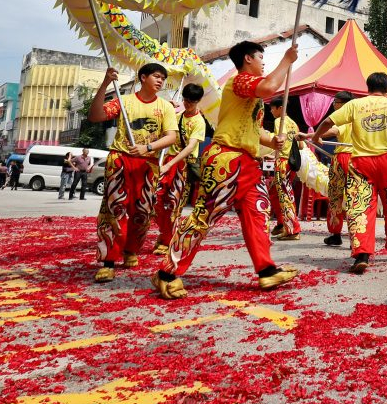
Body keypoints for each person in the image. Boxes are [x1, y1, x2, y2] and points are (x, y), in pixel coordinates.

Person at [153, 41, 300, 299]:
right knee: (203, 217)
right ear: (247, 59)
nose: (263, 62)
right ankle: (166, 273)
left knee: (258, 215)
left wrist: (271, 141)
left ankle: (266, 270)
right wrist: (287, 60)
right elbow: (269, 86)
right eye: (260, 57)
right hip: (226, 160)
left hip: (248, 163)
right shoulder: (239, 81)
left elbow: (253, 129)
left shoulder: (251, 94)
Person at [88, 63, 179, 284]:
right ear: (143, 77)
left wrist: (147, 147)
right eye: (156, 76)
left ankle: (131, 249)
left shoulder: (165, 107)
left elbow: (171, 136)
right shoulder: (124, 100)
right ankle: (109, 261)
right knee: (113, 209)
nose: (160, 81)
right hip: (120, 160)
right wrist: (106, 83)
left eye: (163, 78)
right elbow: (96, 115)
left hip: (148, 164)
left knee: (142, 212)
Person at [310, 73, 387, 275]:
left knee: (361, 206)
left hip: (361, 162)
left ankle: (362, 254)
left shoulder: (354, 105)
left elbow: (328, 122)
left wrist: (317, 136)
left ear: (368, 87)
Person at [152, 84, 206, 256]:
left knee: (174, 204)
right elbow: (162, 133)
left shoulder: (199, 122)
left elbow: (190, 148)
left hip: (183, 166)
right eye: (186, 100)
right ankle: (165, 233)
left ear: (198, 101)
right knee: (154, 199)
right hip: (168, 161)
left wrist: (170, 164)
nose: (188, 104)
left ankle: (167, 240)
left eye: (192, 101)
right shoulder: (177, 116)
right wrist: (167, 109)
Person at [318, 91, 353, 247]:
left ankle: (336, 234)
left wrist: (315, 134)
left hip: (343, 158)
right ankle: (357, 238)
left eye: (335, 102)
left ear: (343, 104)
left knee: (336, 197)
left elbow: (334, 131)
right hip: (359, 159)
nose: (333, 105)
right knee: (356, 198)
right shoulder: (360, 117)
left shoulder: (344, 117)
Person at [267, 98, 302, 241]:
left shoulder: (279, 122)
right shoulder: (293, 123)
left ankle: (293, 230)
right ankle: (282, 224)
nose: (271, 111)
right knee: (274, 192)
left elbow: (279, 143)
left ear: (280, 108)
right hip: (290, 163)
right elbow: (301, 145)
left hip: (282, 162)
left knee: (285, 195)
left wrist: (273, 154)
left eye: (272, 108)